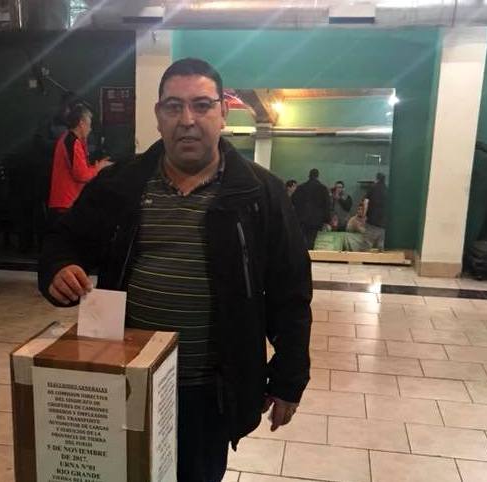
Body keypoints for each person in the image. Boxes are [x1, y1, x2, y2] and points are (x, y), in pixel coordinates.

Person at [39, 58, 312, 482]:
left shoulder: (260, 193)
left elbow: (290, 293)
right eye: (173, 106)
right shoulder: (120, 184)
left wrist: (288, 378)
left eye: (201, 105)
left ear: (223, 112)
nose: (187, 119)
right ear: (158, 115)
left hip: (210, 390)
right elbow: (64, 240)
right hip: (126, 379)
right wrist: (60, 267)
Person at [47, 103, 110, 221]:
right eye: (89, 125)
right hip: (66, 205)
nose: (90, 129)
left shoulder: (69, 139)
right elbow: (82, 175)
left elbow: (82, 170)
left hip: (66, 204)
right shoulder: (72, 142)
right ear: (81, 123)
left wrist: (95, 168)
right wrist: (98, 168)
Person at [291, 168, 331, 249]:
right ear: (317, 176)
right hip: (316, 220)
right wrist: (327, 220)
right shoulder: (323, 188)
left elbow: (293, 200)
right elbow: (327, 205)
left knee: (300, 241)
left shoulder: (301, 188)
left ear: (309, 175)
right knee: (313, 241)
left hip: (302, 219)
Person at [364, 172, 387, 249]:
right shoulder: (386, 189)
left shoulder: (372, 188)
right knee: (380, 246)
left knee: (367, 245)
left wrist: (364, 215)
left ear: (376, 179)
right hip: (383, 222)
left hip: (372, 220)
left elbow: (366, 202)